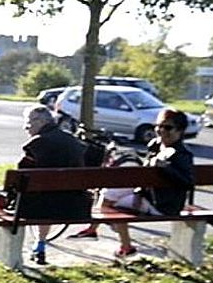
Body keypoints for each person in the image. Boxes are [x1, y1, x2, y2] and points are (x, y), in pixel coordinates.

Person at [106, 108, 194, 258]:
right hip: (148, 195)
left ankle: (125, 244)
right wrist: (139, 192)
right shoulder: (156, 145)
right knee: (107, 194)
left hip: (163, 204)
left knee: (113, 205)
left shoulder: (182, 154)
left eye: (168, 127)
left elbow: (187, 183)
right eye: (158, 126)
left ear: (180, 131)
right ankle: (120, 238)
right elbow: (145, 175)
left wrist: (166, 168)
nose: (161, 130)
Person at [16, 105, 91, 265]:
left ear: (41, 122)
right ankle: (39, 244)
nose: (26, 127)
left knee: (2, 200)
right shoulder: (73, 141)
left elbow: (21, 178)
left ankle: (28, 248)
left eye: (29, 123)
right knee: (49, 195)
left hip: (40, 206)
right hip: (75, 206)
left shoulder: (35, 144)